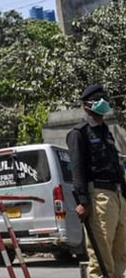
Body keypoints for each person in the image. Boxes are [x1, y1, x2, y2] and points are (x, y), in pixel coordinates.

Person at [67, 83, 126, 278]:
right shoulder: (79, 133)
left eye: (104, 98)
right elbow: (78, 169)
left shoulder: (106, 132)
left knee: (120, 255)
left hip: (117, 196)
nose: (103, 102)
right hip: (99, 197)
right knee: (101, 258)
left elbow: (116, 167)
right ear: (86, 105)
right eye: (97, 98)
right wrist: (82, 200)